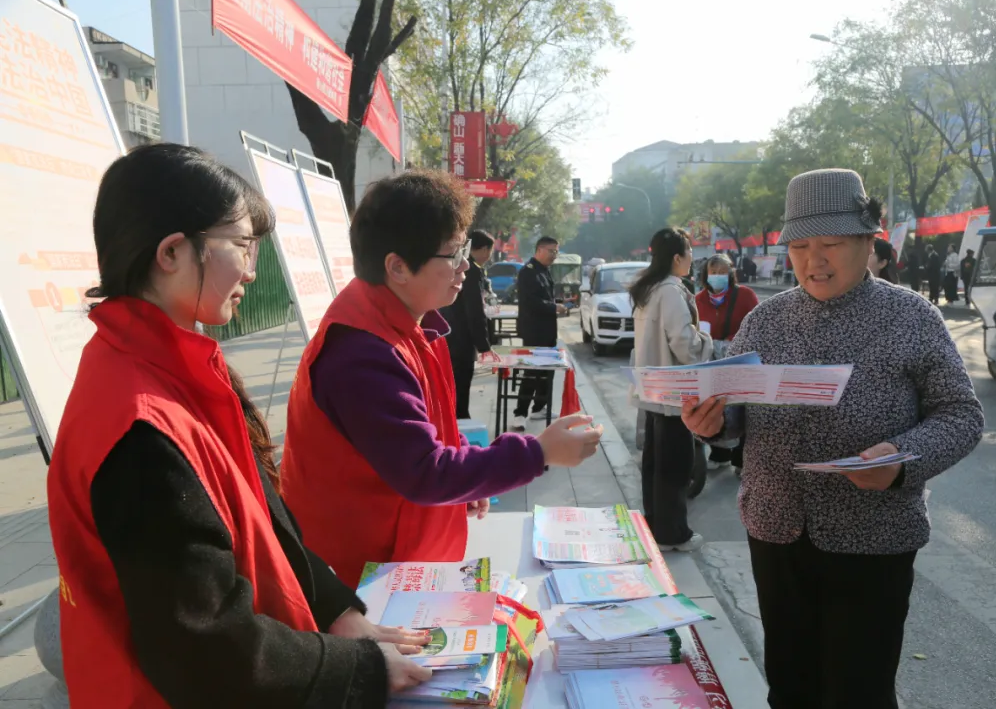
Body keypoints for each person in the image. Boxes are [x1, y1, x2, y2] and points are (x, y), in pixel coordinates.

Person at [47, 144, 432, 707]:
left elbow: (262, 517)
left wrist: (337, 611)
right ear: (172, 251)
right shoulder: (138, 428)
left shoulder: (171, 366)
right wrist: (360, 669)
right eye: (242, 246)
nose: (252, 270)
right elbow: (202, 647)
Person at [681, 168, 983, 709]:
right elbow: (736, 413)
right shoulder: (764, 322)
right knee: (790, 687)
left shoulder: (911, 316)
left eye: (831, 244)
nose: (813, 260)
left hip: (874, 538)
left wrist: (900, 460)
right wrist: (713, 424)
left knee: (859, 691)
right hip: (776, 531)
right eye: (799, 247)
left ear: (868, 242)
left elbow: (961, 415)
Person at [280, 171, 602, 590]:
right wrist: (538, 452)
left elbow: (429, 431)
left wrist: (471, 475)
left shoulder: (404, 326)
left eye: (463, 250)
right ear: (397, 267)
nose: (465, 265)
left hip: (397, 554)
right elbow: (424, 471)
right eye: (452, 254)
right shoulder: (362, 352)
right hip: (360, 577)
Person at [631, 228, 714, 552]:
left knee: (655, 465)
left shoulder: (649, 289)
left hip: (653, 390)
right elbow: (684, 343)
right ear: (677, 257)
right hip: (674, 393)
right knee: (675, 466)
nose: (692, 258)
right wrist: (705, 340)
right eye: (689, 252)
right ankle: (673, 534)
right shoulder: (670, 291)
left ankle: (655, 526)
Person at [695, 253, 759, 475]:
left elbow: (757, 327)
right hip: (711, 361)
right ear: (706, 275)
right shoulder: (698, 300)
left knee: (742, 407)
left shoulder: (745, 295)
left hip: (739, 360)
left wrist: (735, 340)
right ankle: (719, 454)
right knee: (715, 405)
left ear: (731, 273)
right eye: (713, 272)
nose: (718, 276)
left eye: (723, 272)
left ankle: (741, 460)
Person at [512, 236, 567, 429]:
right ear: (540, 249)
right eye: (552, 251)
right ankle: (520, 412)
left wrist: (558, 305)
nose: (554, 255)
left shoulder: (544, 270)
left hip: (548, 330)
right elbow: (531, 302)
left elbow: (546, 297)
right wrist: (554, 307)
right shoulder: (528, 272)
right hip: (534, 331)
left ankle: (539, 407)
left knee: (547, 371)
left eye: (556, 252)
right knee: (531, 372)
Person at [441, 230, 497, 419]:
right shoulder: (471, 270)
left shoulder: (461, 266)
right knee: (460, 386)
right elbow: (475, 312)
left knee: (453, 385)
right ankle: (460, 422)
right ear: (484, 249)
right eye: (490, 251)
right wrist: (484, 346)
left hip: (449, 334)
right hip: (461, 338)